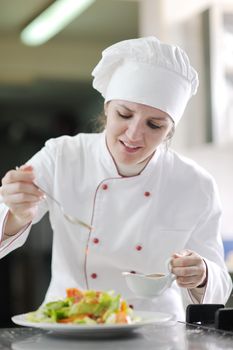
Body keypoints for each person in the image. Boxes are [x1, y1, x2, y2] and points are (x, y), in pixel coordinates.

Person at [0, 36, 231, 321]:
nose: (134, 134)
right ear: (107, 108)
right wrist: (18, 214)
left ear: (170, 130)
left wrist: (203, 273)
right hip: (70, 323)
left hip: (157, 332)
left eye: (154, 125)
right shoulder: (62, 156)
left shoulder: (194, 183)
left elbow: (219, 285)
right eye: (124, 114)